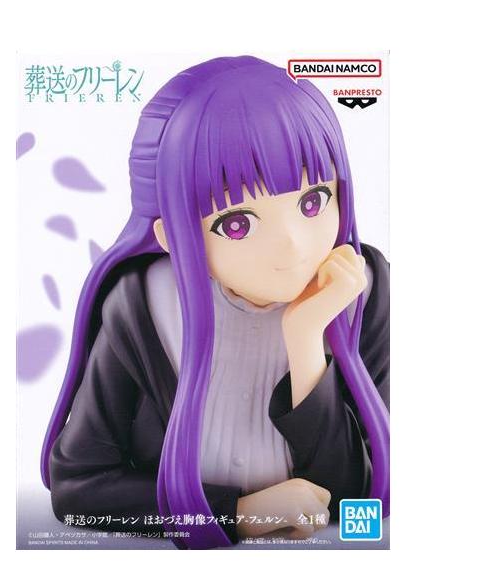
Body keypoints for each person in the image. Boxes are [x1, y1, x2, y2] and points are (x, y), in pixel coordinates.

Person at [41, 55, 390, 550]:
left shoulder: (361, 289)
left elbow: (364, 495)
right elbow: (79, 488)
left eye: (313, 201)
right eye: (237, 223)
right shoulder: (144, 306)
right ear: (171, 236)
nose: (292, 244)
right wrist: (237, 514)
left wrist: (307, 339)